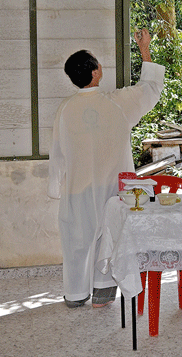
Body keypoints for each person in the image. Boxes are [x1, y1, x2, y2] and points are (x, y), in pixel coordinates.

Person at [48, 30, 164, 308]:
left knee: (76, 240)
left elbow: (57, 151)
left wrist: (55, 185)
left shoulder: (65, 108)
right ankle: (102, 292)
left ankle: (75, 294)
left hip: (77, 188)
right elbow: (150, 89)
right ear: (97, 71)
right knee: (109, 238)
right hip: (112, 188)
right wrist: (144, 48)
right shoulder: (117, 103)